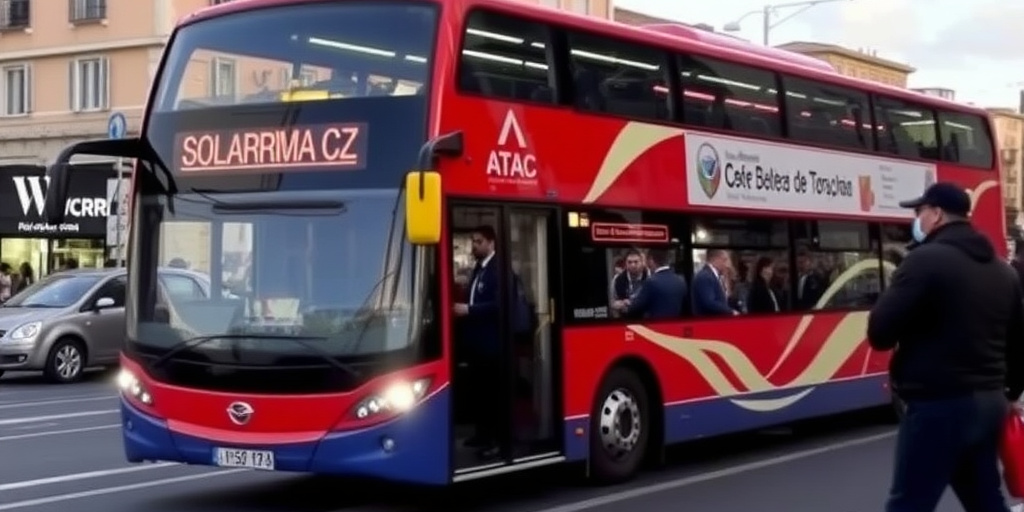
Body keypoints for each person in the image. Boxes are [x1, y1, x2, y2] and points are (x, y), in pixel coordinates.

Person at [867, 182, 1024, 512]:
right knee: (984, 499)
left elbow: (880, 331)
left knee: (909, 502)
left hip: (939, 404)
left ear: (936, 214)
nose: (916, 219)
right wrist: (1010, 394)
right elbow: (1018, 343)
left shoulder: (924, 261)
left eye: (919, 212)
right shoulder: (1003, 271)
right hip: (989, 402)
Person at [623, 248, 686, 319]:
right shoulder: (680, 280)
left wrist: (626, 305)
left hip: (655, 327)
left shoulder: (651, 282)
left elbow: (635, 308)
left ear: (651, 260)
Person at [691, 249, 737, 316]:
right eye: (725, 260)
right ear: (716, 259)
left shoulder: (715, 276)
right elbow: (709, 303)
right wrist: (731, 311)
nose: (727, 265)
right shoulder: (705, 277)